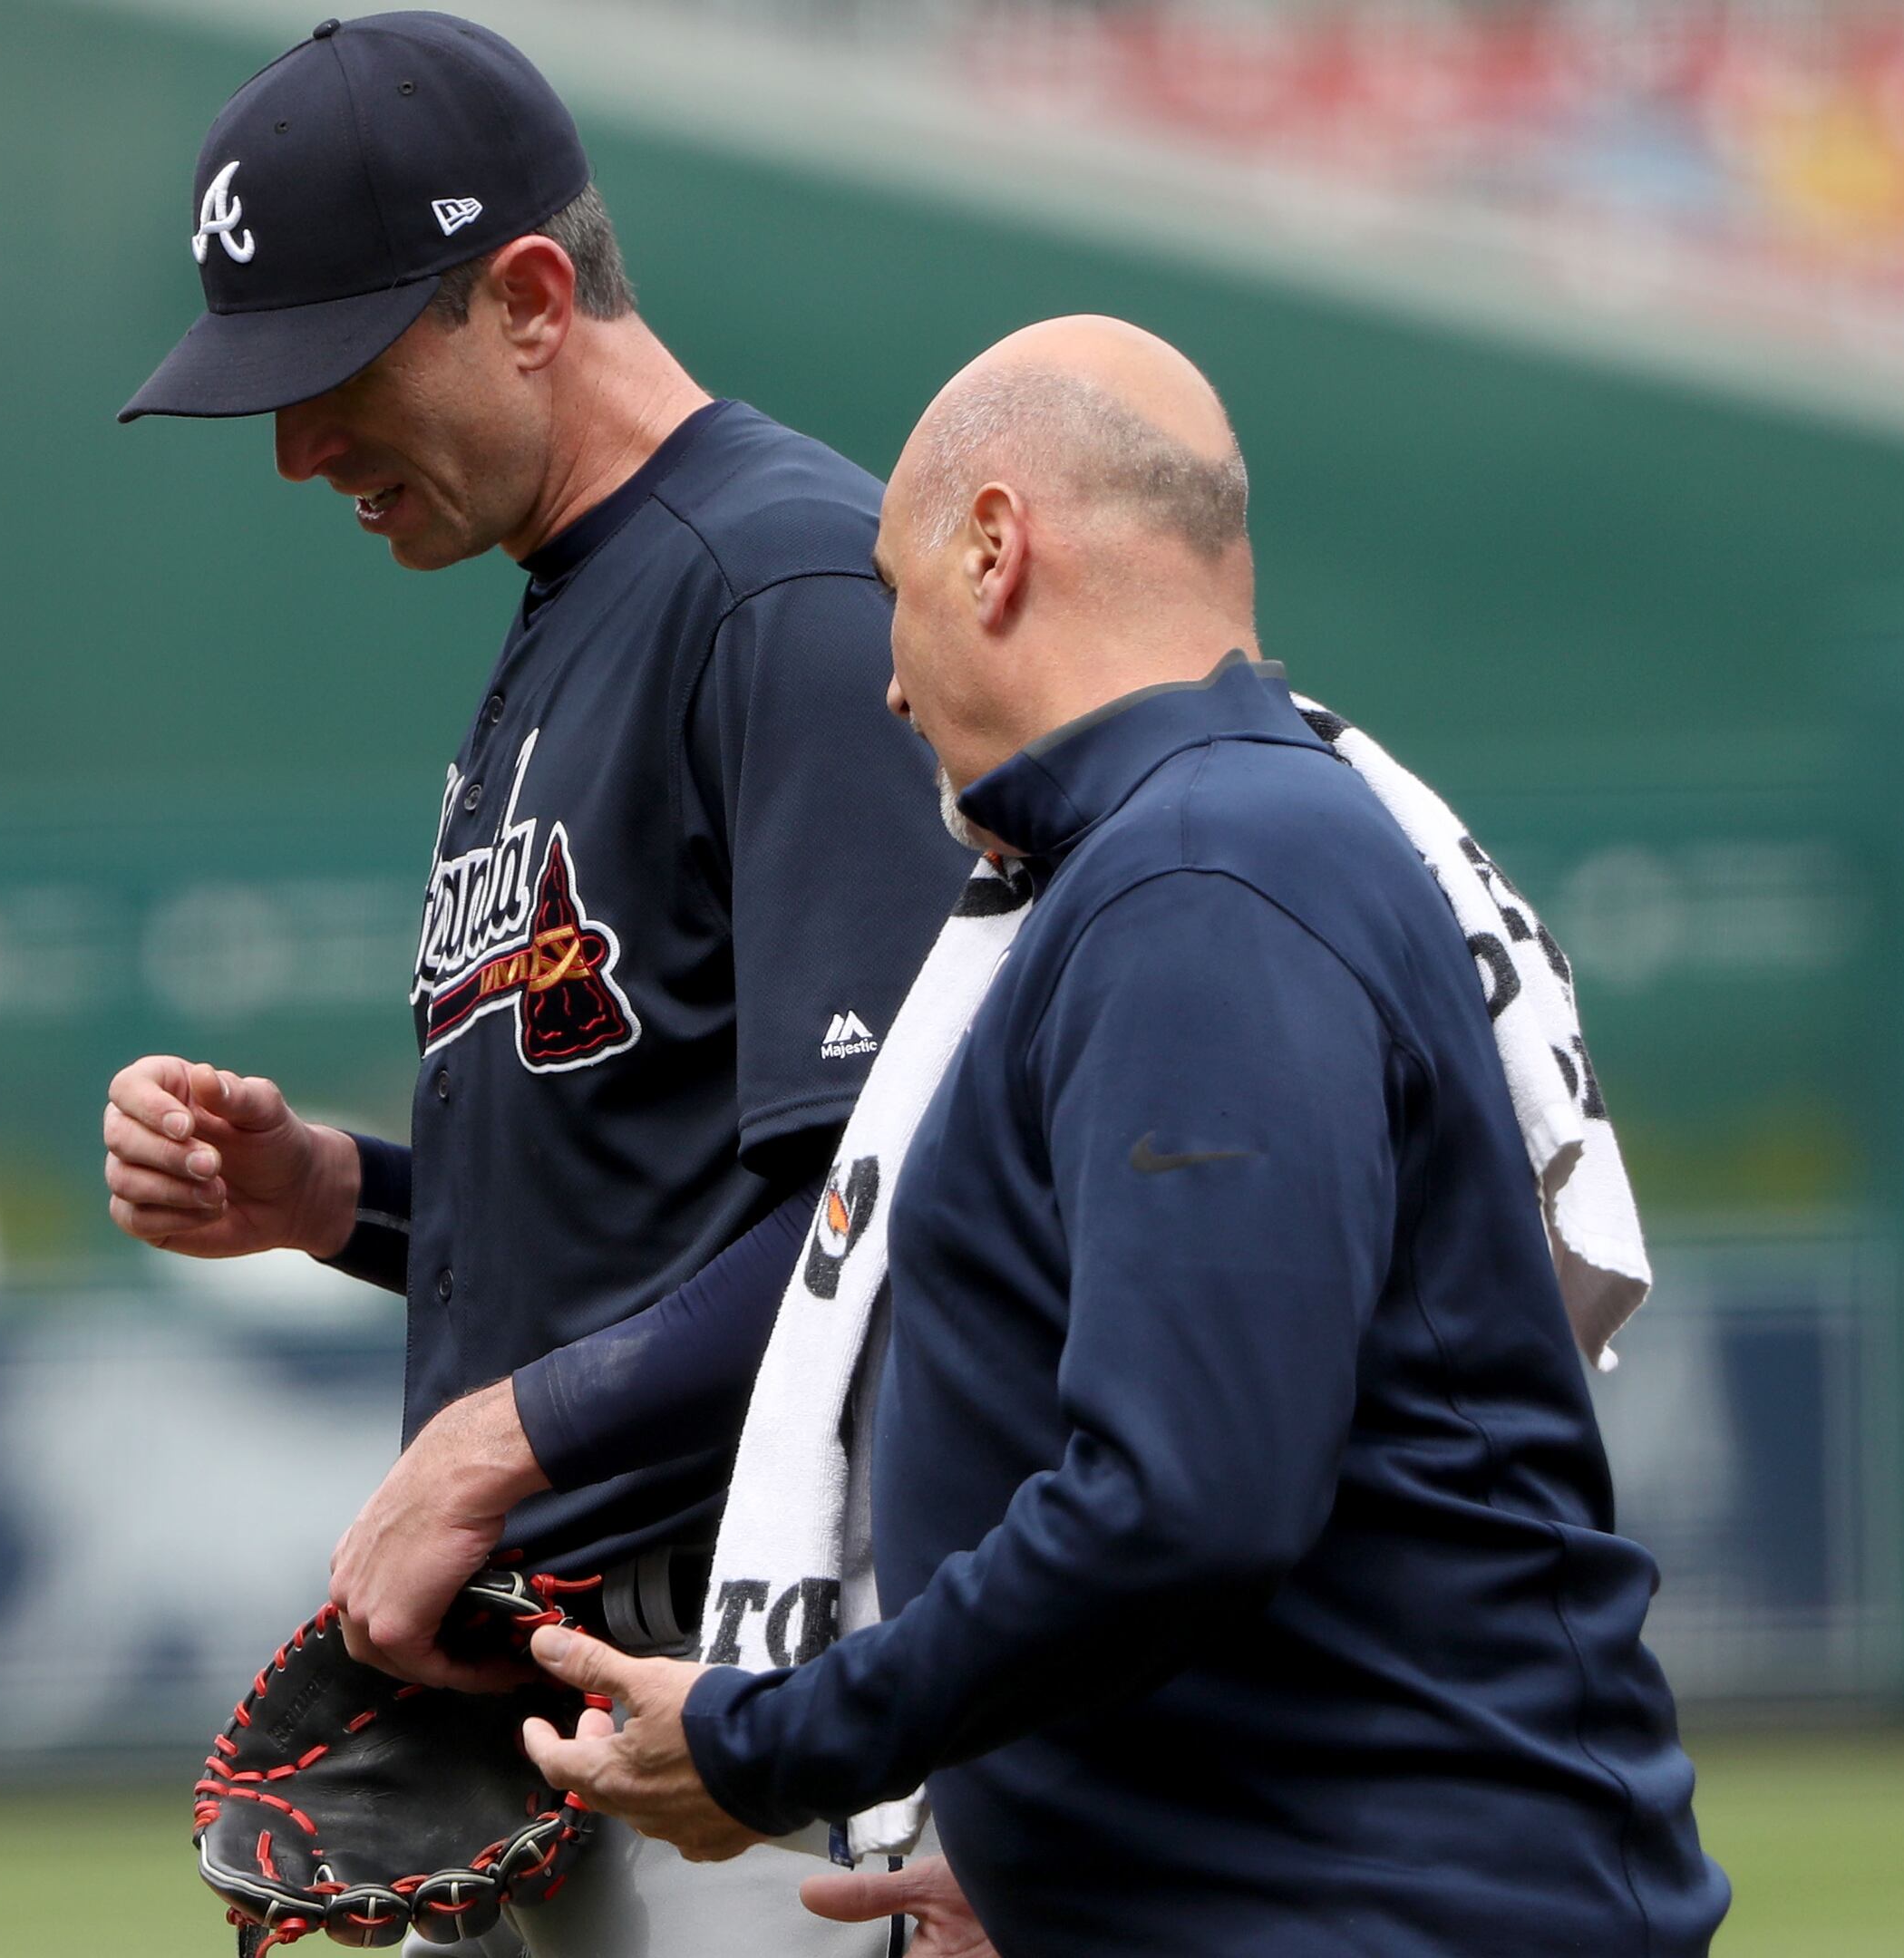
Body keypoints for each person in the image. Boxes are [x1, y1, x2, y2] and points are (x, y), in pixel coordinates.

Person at [520, 316, 1733, 1955]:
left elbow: (1187, 1501)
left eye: (894, 589)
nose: (884, 676)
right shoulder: (1211, 844)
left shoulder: (1199, 877)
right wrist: (1061, 1869)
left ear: (996, 549)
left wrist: (764, 1743)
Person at [102, 14, 972, 1953]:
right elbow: (647, 1208)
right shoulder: (580, 603)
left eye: (330, 369)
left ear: (529, 296)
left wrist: (496, 1447)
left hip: (763, 1691)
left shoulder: (784, 591)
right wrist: (334, 1196)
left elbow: (901, 1212)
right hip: (584, 1701)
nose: (295, 446)